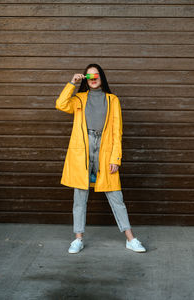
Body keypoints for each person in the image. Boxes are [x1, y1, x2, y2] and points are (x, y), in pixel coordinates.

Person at [55, 63, 146, 254]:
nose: (93, 78)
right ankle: (78, 239)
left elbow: (116, 131)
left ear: (101, 77)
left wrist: (116, 158)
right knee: (80, 197)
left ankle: (131, 238)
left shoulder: (113, 100)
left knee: (116, 197)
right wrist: (72, 83)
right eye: (88, 76)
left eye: (95, 75)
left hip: (105, 150)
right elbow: (61, 104)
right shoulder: (79, 99)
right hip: (83, 150)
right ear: (85, 80)